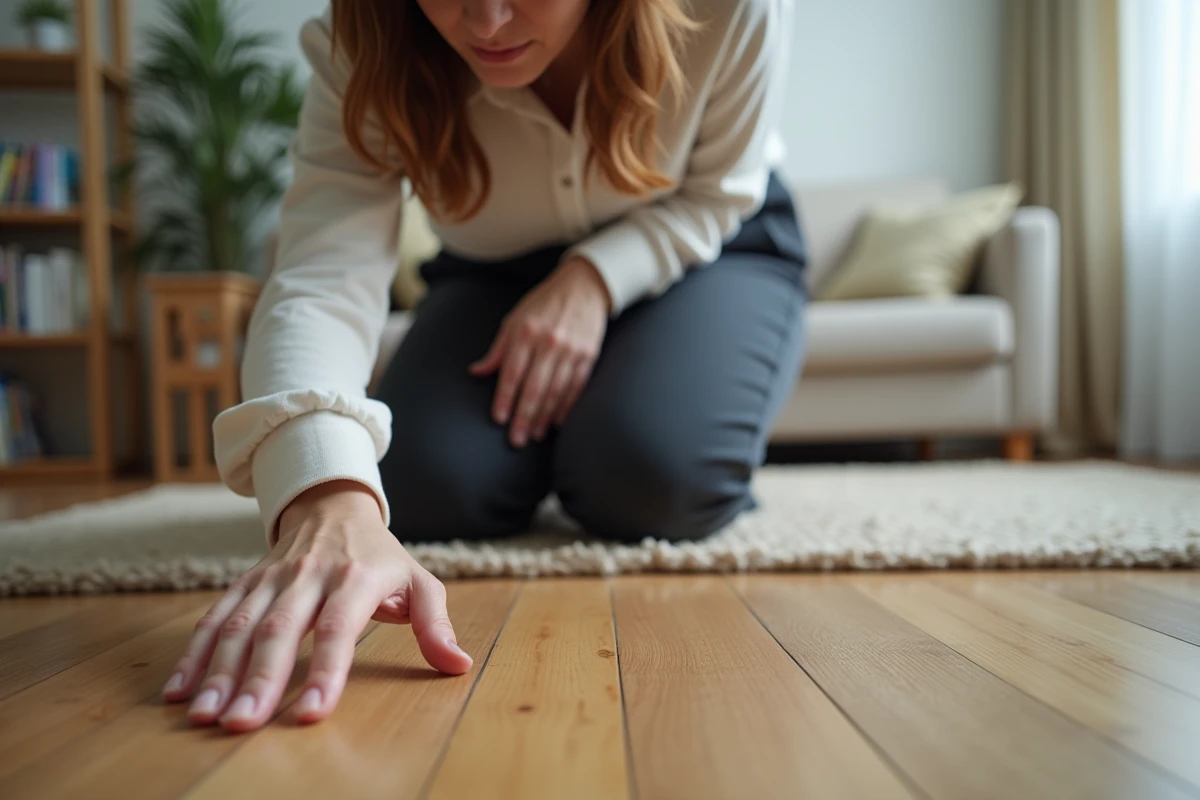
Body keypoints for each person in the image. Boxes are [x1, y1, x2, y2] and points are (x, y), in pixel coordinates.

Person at [163, 0, 806, 732]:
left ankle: (621, 430)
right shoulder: (364, 42)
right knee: (423, 487)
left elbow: (717, 193)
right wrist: (327, 497)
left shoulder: (727, 10)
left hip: (705, 244)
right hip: (492, 273)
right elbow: (321, 275)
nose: (488, 22)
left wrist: (591, 280)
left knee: (648, 477)